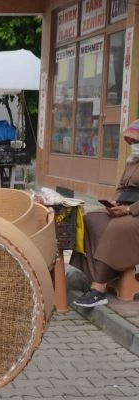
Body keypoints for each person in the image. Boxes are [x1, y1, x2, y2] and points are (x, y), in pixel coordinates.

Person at [70, 119, 139, 307]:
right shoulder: (132, 162)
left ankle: (98, 289)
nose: (134, 146)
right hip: (125, 208)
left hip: (135, 213)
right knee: (91, 220)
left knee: (116, 228)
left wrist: (127, 210)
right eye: (131, 142)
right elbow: (122, 188)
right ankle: (92, 274)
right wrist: (116, 203)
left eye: (137, 142)